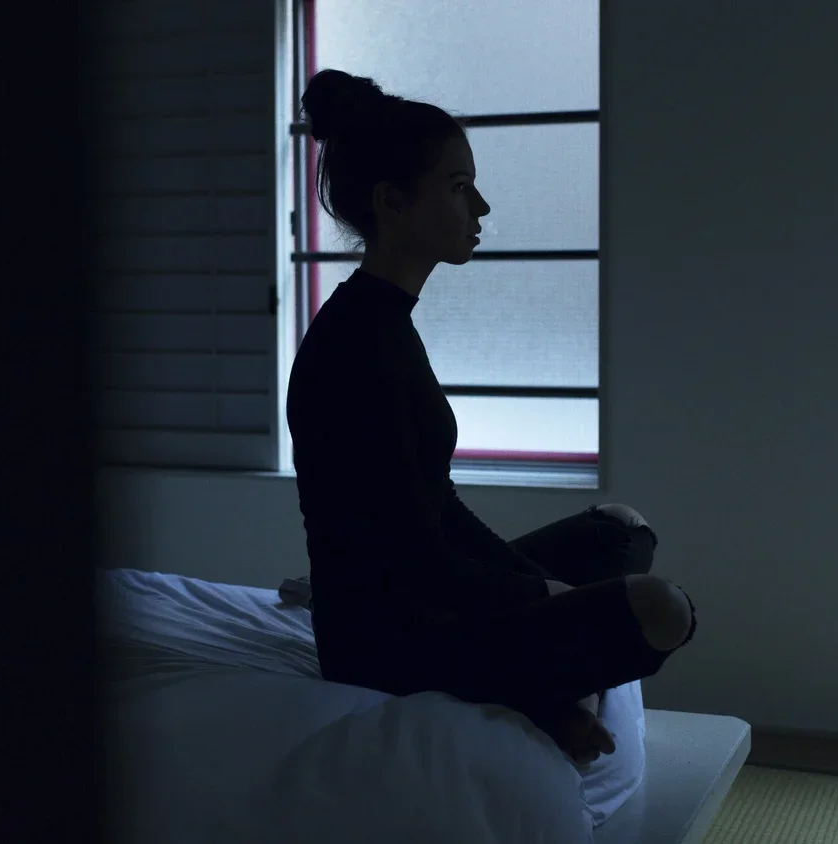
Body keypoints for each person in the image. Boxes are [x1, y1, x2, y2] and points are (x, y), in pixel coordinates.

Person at [286, 69, 696, 765]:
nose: (480, 206)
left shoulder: (384, 322)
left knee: (619, 528)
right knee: (662, 609)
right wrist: (540, 592)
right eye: (457, 187)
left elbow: (439, 505)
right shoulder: (355, 349)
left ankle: (558, 693)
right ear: (392, 202)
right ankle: (556, 695)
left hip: (431, 598)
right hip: (387, 641)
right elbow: (414, 561)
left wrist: (533, 583)